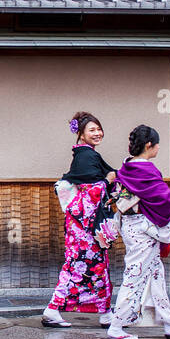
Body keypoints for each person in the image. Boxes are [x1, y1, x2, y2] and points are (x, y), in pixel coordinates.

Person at [106, 124, 170, 339]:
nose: (157, 148)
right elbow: (164, 200)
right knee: (135, 274)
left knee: (155, 274)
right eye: (156, 145)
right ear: (149, 145)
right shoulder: (147, 170)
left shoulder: (127, 168)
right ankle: (116, 326)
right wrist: (169, 223)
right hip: (145, 230)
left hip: (131, 225)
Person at [42, 111, 118, 328]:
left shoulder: (87, 154)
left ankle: (105, 313)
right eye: (92, 130)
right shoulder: (85, 156)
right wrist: (107, 180)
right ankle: (52, 309)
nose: (97, 133)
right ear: (82, 135)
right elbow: (90, 193)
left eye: (98, 129)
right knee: (77, 267)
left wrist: (107, 181)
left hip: (86, 225)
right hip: (83, 228)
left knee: (98, 267)